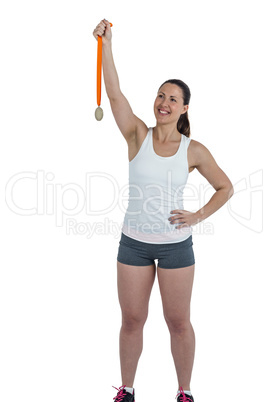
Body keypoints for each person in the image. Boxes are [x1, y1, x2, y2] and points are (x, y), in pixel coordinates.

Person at [93, 19, 234, 402]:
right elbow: (115, 93)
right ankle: (127, 389)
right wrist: (106, 45)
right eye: (160, 96)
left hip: (176, 247)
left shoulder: (194, 150)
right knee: (132, 321)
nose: (164, 103)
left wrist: (198, 216)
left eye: (172, 98)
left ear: (184, 107)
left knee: (178, 323)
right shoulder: (137, 134)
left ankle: (184, 391)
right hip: (133, 245)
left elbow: (226, 188)